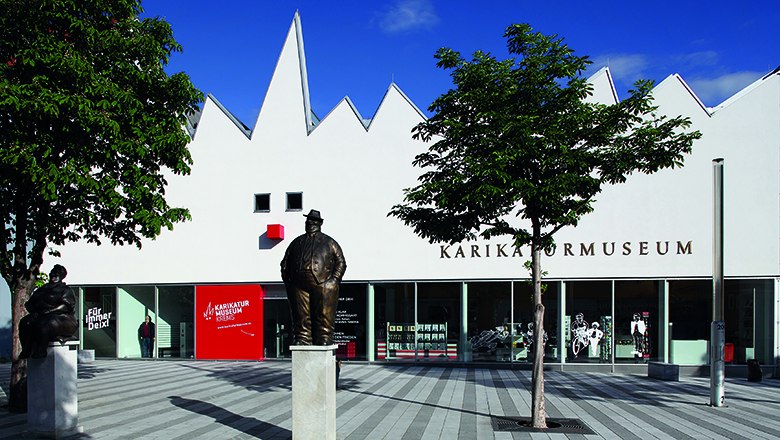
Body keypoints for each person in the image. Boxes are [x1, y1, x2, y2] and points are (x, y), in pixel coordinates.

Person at [280, 209, 347, 345]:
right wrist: (288, 281)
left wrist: (334, 280)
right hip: (298, 284)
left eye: (313, 220)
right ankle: (302, 338)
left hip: (322, 283)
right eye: (308, 220)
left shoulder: (329, 242)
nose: (310, 223)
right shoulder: (296, 242)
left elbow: (341, 262)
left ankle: (324, 337)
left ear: (319, 223)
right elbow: (285, 262)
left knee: (323, 314)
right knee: (300, 314)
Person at [19, 265, 78, 359]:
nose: (54, 275)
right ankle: (26, 349)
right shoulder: (42, 289)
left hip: (61, 318)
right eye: (53, 273)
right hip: (40, 315)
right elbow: (29, 304)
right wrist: (34, 311)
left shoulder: (65, 289)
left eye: (57, 274)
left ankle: (41, 350)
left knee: (44, 324)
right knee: (25, 322)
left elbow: (66, 306)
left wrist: (49, 311)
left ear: (62, 276)